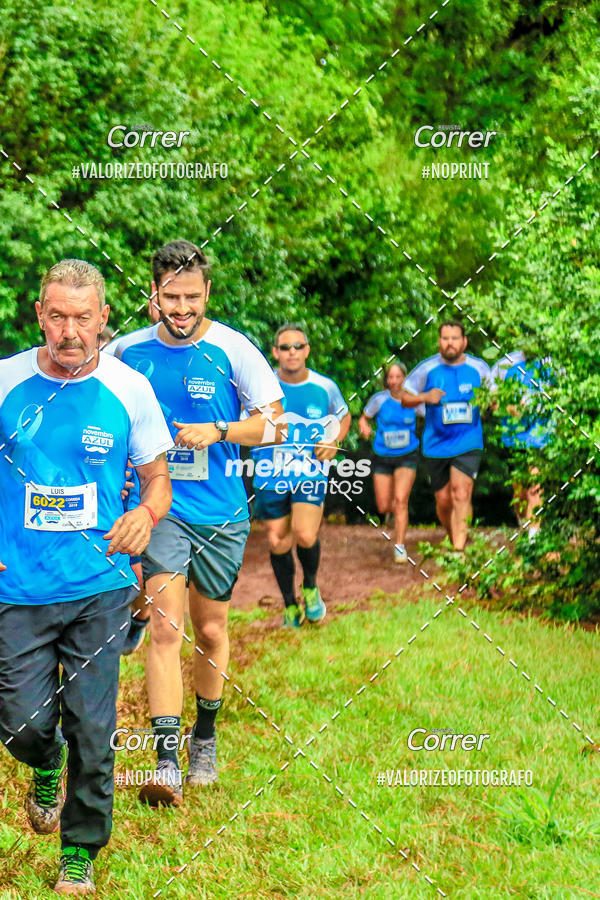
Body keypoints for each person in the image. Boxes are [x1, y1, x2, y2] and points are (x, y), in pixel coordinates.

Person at [0, 259, 172, 894]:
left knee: (94, 729)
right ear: (39, 315)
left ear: (104, 319)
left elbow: (158, 474)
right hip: (15, 585)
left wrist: (147, 514)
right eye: (57, 315)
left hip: (98, 583)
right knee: (20, 721)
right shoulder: (5, 381)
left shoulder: (130, 389)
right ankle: (44, 763)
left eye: (82, 317)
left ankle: (80, 851)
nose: (69, 330)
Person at [106, 240, 285, 806]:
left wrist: (220, 431)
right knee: (166, 629)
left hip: (222, 511)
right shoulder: (127, 352)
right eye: (169, 297)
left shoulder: (234, 350)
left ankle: (203, 737)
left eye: (191, 297)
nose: (180, 308)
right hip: (161, 508)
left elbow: (274, 427)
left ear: (207, 293)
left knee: (210, 631)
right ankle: (165, 761)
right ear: (153, 294)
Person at [251, 324, 351, 627]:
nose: (291, 352)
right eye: (285, 347)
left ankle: (310, 586)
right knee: (278, 540)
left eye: (297, 346)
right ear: (275, 352)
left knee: (306, 534)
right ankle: (290, 605)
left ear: (307, 350)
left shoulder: (325, 386)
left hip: (310, 471)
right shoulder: (261, 385)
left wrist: (334, 441)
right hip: (269, 473)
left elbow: (343, 417)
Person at [402, 321, 492, 552]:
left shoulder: (479, 368)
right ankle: (455, 538)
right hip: (436, 444)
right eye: (445, 338)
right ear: (439, 341)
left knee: (461, 492)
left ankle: (459, 551)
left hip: (468, 439)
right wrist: (424, 397)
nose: (449, 343)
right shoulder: (426, 368)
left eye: (454, 338)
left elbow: (495, 396)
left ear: (464, 342)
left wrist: (491, 403)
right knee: (443, 501)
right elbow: (404, 398)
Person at [358, 361, 422, 564]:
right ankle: (393, 514)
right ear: (387, 380)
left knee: (401, 500)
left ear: (405, 378)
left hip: (407, 454)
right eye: (390, 377)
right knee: (384, 505)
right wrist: (364, 428)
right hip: (383, 455)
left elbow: (433, 415)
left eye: (398, 377)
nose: (394, 381)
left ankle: (400, 546)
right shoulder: (379, 400)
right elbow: (364, 418)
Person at [491, 349, 554, 540]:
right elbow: (492, 400)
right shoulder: (506, 364)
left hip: (542, 437)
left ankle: (534, 537)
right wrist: (511, 408)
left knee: (535, 486)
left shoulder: (554, 364)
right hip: (515, 438)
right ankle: (522, 520)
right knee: (520, 492)